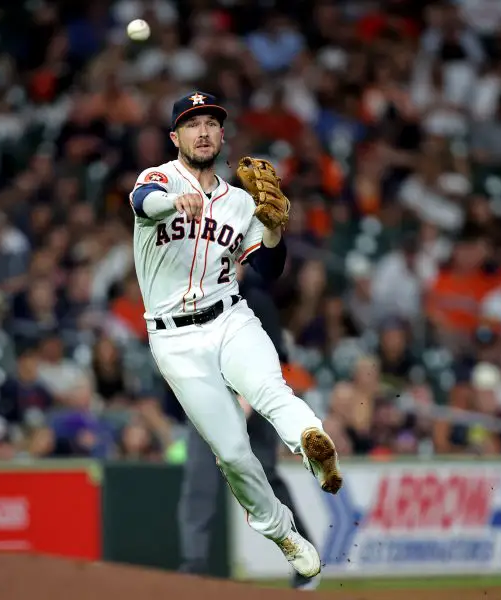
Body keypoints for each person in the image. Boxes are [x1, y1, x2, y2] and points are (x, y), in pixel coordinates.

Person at [128, 91, 342, 579]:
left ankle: (313, 442)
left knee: (271, 390)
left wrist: (272, 232)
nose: (202, 131)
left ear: (222, 135)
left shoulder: (241, 201)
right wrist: (171, 202)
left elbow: (266, 270)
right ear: (175, 137)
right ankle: (284, 533)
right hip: (175, 340)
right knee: (233, 453)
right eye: (192, 123)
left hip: (229, 317)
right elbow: (144, 201)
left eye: (210, 123)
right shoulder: (157, 179)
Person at [178, 264, 318, 589]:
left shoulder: (257, 300)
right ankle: (193, 565)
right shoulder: (194, 299)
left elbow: (277, 362)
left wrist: (244, 405)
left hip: (252, 408)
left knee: (266, 481)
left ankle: (304, 562)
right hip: (210, 406)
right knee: (199, 483)